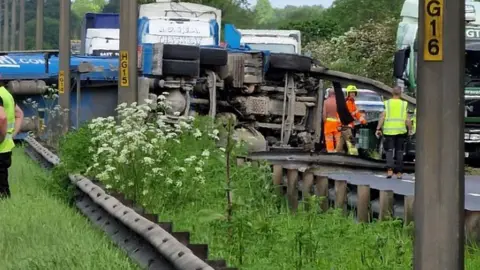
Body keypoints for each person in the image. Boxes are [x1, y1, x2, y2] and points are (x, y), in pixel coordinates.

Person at [375, 86, 411, 179]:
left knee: (389, 151)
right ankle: (399, 172)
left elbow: (382, 116)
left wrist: (378, 128)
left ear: (392, 93)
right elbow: (407, 119)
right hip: (401, 131)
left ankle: (390, 171)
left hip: (389, 131)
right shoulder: (404, 104)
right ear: (400, 93)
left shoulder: (387, 103)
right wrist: (410, 130)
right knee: (399, 151)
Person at [0, 85, 23, 199]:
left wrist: (2, 137)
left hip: (0, 147)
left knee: (2, 191)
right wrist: (11, 135)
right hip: (5, 148)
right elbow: (19, 114)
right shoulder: (6, 94)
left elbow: (2, 118)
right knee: (3, 186)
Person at [336, 85, 367, 155]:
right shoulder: (347, 102)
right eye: (351, 92)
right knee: (352, 144)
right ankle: (355, 158)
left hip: (346, 127)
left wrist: (363, 121)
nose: (353, 94)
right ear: (348, 93)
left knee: (340, 145)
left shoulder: (352, 103)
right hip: (346, 126)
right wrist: (340, 125)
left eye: (354, 92)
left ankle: (335, 157)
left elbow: (357, 113)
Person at [323, 88, 341, 152]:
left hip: (328, 123)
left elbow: (324, 114)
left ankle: (330, 152)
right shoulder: (339, 101)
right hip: (337, 123)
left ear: (329, 94)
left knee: (329, 139)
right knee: (338, 138)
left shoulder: (326, 102)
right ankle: (338, 151)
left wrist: (324, 121)